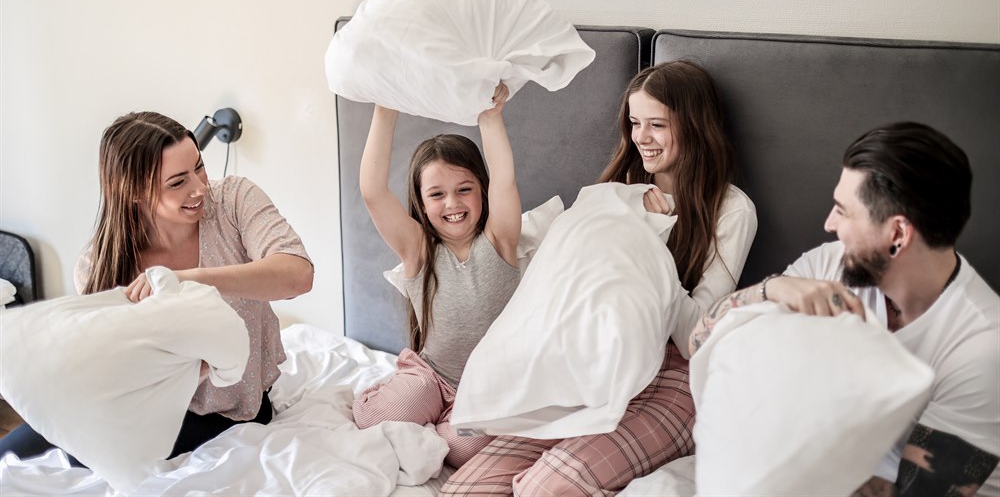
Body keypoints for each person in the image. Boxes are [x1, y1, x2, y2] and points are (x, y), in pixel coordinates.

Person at [441, 60, 758, 496]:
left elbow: (693, 335)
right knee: (464, 488)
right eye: (634, 123)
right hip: (592, 363)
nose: (640, 138)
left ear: (695, 126)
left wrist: (648, 238)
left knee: (544, 489)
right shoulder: (617, 189)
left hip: (674, 378)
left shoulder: (731, 209)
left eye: (657, 125)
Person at [689, 121, 999, 496]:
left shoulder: (983, 348)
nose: (829, 224)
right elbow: (699, 343)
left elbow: (920, 493)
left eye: (843, 210)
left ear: (897, 235)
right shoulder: (829, 266)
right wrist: (771, 290)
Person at [0, 111, 314, 464]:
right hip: (149, 407)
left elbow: (297, 276)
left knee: (76, 460)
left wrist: (186, 279)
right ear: (133, 192)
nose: (199, 187)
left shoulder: (233, 201)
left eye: (199, 166)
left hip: (233, 410)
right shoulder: (98, 266)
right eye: (177, 182)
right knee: (14, 453)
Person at [352, 83, 522, 469]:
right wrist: (384, 110)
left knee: (465, 450)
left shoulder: (501, 240)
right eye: (437, 195)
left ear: (483, 190)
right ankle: (416, 408)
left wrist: (490, 119)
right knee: (371, 418)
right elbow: (373, 191)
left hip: (484, 389)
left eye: (465, 189)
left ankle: (439, 428)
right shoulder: (418, 249)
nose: (453, 204)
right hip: (431, 374)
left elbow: (505, 178)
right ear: (421, 202)